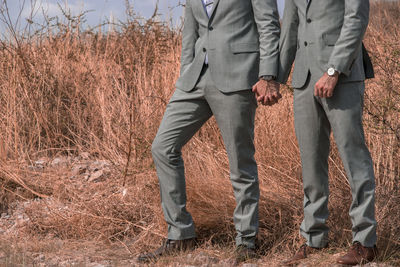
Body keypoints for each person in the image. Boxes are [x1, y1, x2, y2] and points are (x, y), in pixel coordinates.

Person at [137, 0, 281, 263]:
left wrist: (268, 75)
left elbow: (269, 25)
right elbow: (189, 33)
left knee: (240, 160)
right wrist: (185, 76)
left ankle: (246, 240)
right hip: (194, 80)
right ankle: (180, 234)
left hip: (238, 76)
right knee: (162, 147)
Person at [277, 0, 378, 265]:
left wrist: (333, 70)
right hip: (303, 79)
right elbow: (290, 28)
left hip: (341, 76)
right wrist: (273, 78)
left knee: (354, 157)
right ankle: (314, 237)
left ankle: (365, 241)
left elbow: (356, 19)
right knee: (310, 161)